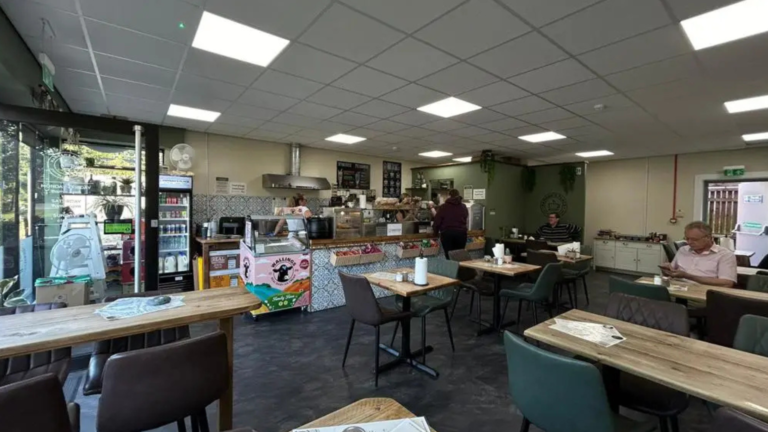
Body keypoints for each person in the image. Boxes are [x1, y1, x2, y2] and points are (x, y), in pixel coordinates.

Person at [661, 221, 736, 287]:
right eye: (687, 239)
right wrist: (667, 270)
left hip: (703, 293)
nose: (689, 242)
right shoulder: (683, 250)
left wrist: (688, 276)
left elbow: (727, 283)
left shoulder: (725, 255)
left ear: (708, 238)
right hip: (677, 290)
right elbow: (671, 273)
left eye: (694, 239)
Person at [432, 189, 468, 258]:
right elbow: (465, 217)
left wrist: (435, 233)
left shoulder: (443, 207)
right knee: (459, 255)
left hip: (447, 234)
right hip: (461, 234)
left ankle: (451, 268)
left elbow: (437, 221)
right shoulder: (463, 207)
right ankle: (459, 268)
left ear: (449, 196)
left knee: (449, 255)